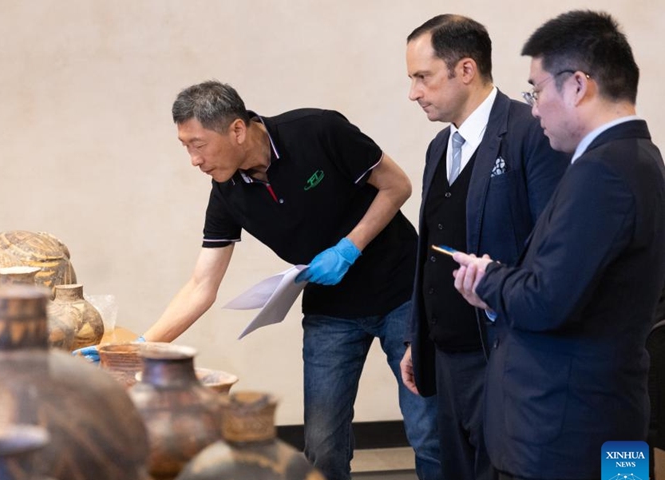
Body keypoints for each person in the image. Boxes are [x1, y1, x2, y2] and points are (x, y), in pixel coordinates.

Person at [139, 80, 442, 480]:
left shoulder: (318, 131)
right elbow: (201, 285)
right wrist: (139, 347)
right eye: (186, 147)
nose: (194, 159)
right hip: (331, 311)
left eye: (198, 144)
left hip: (401, 294)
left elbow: (397, 185)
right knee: (322, 445)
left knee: (429, 433)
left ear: (236, 130)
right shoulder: (227, 192)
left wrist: (349, 247)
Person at [453, 10, 665, 480]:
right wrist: (494, 293)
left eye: (536, 89)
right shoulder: (634, 158)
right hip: (588, 423)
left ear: (576, 86)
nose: (532, 107)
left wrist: (490, 280)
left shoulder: (604, 171)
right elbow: (577, 289)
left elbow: (547, 301)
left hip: (565, 435)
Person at [398, 14, 569, 480]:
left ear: (466, 70)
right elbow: (432, 248)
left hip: (505, 355)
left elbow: (552, 249)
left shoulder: (530, 133)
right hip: (449, 356)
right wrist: (419, 335)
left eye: (422, 77)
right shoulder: (439, 146)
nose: (414, 92)